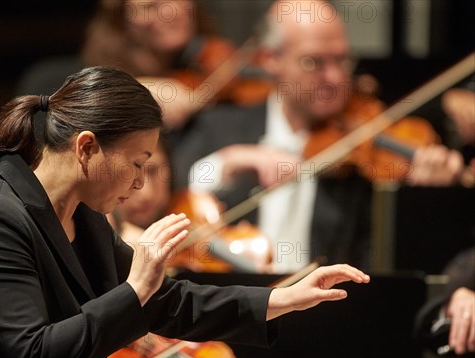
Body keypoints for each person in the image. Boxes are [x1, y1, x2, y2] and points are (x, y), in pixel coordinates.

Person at [0, 66, 370, 358]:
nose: (141, 183)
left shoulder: (85, 216)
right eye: (137, 163)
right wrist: (134, 288)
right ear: (87, 147)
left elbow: (166, 302)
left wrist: (280, 298)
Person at [174, 0, 466, 273]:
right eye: (314, 62)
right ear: (269, 59)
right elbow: (174, 196)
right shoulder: (221, 126)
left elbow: (387, 259)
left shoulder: (364, 156)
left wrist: (423, 198)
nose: (335, 78)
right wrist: (228, 161)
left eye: (341, 60)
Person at [17, 0, 270, 131]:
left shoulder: (210, 65)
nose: (171, 11)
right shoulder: (51, 77)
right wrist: (135, 91)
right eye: (151, 5)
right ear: (122, 19)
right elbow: (45, 114)